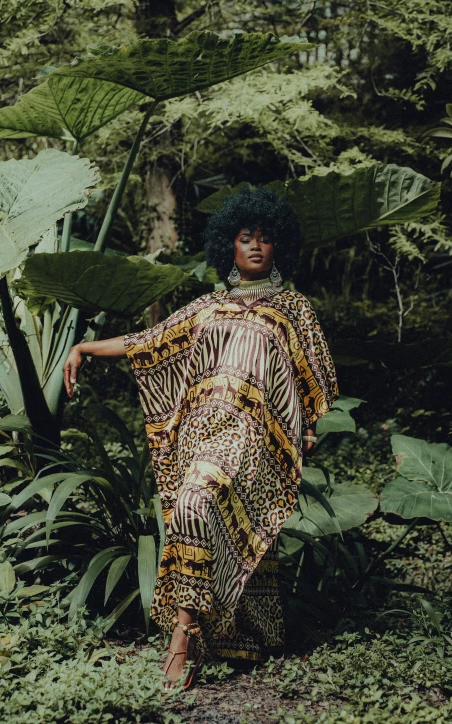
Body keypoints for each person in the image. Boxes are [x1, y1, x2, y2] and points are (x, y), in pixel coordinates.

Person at [63, 187, 339, 689]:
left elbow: (310, 379)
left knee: (195, 503)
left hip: (252, 440)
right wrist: (84, 346)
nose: (256, 246)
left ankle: (181, 641)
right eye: (245, 237)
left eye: (265, 238)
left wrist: (307, 432)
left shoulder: (294, 310)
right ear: (228, 247)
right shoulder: (207, 306)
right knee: (208, 517)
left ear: (279, 248)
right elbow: (146, 343)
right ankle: (241, 637)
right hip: (200, 434)